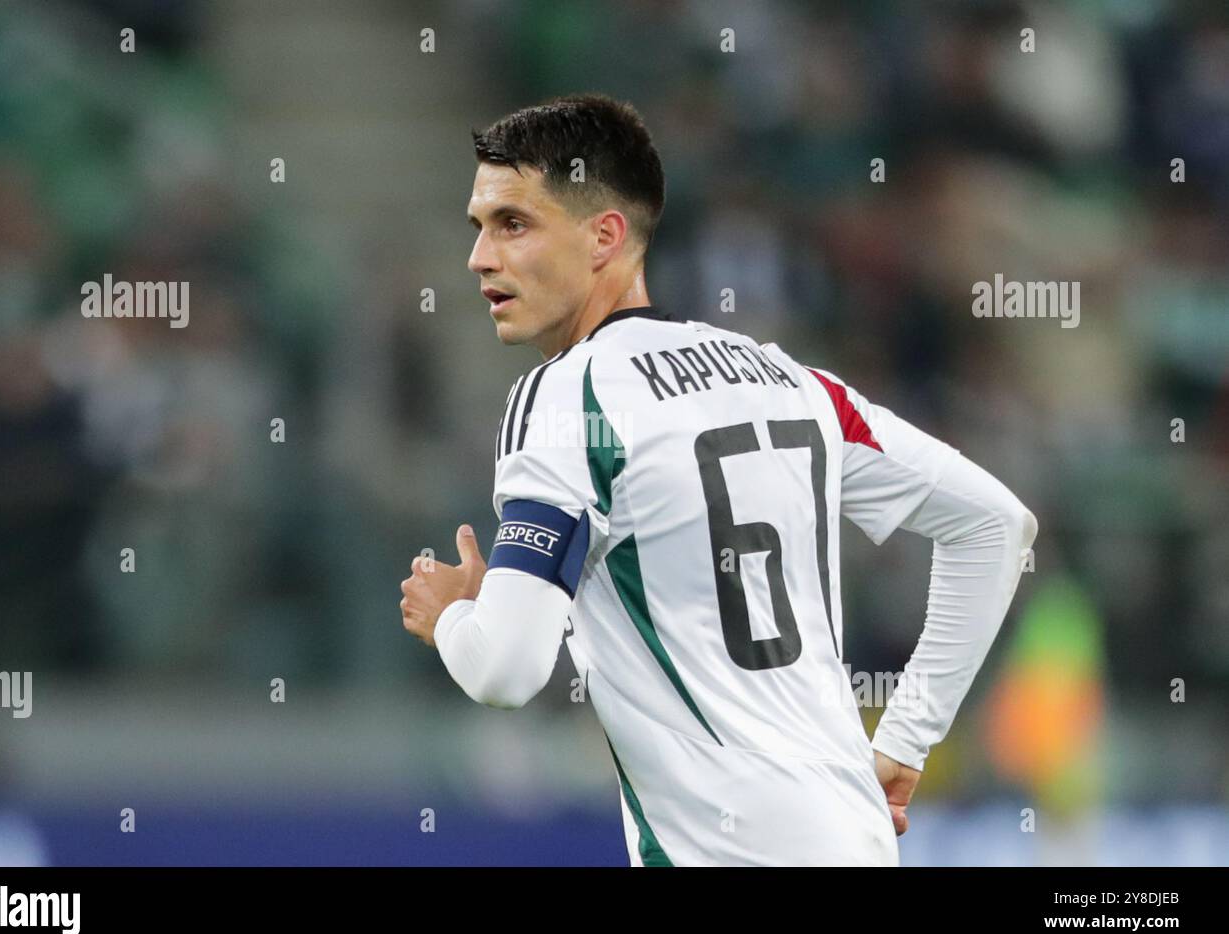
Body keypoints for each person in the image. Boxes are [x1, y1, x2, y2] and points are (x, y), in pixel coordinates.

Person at [400, 94, 1037, 866]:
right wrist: (905, 738)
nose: (480, 257)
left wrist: (454, 619)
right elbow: (995, 525)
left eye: (513, 225)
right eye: (479, 228)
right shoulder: (790, 380)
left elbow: (505, 669)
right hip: (857, 839)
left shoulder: (567, 395)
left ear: (604, 237)